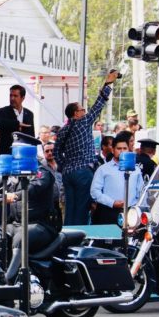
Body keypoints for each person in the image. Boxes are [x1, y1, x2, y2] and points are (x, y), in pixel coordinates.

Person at [0, 139, 58, 282]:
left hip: (40, 225)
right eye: (13, 151)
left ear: (28, 153)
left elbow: (33, 189)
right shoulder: (11, 172)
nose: (14, 155)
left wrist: (14, 196)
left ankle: (8, 280)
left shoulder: (42, 172)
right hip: (16, 224)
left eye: (18, 151)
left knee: (20, 239)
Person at [54, 69, 119, 225]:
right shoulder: (82, 122)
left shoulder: (63, 130)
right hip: (83, 172)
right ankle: (79, 241)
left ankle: (67, 239)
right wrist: (108, 83)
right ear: (76, 114)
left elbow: (56, 152)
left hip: (68, 174)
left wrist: (65, 166)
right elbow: (98, 105)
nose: (85, 111)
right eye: (82, 109)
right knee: (82, 208)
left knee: (70, 209)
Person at [90, 135, 143, 225]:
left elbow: (140, 191)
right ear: (113, 150)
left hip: (131, 214)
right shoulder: (103, 169)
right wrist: (112, 202)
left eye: (124, 148)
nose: (122, 151)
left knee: (129, 238)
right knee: (109, 238)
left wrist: (137, 207)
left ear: (128, 150)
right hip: (108, 212)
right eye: (119, 148)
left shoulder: (136, 170)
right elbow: (94, 191)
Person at [0, 84, 34, 155]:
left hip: (24, 154)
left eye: (15, 96)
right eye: (11, 95)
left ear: (23, 98)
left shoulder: (29, 114)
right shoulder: (2, 111)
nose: (12, 98)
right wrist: (17, 124)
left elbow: (31, 136)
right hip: (7, 153)